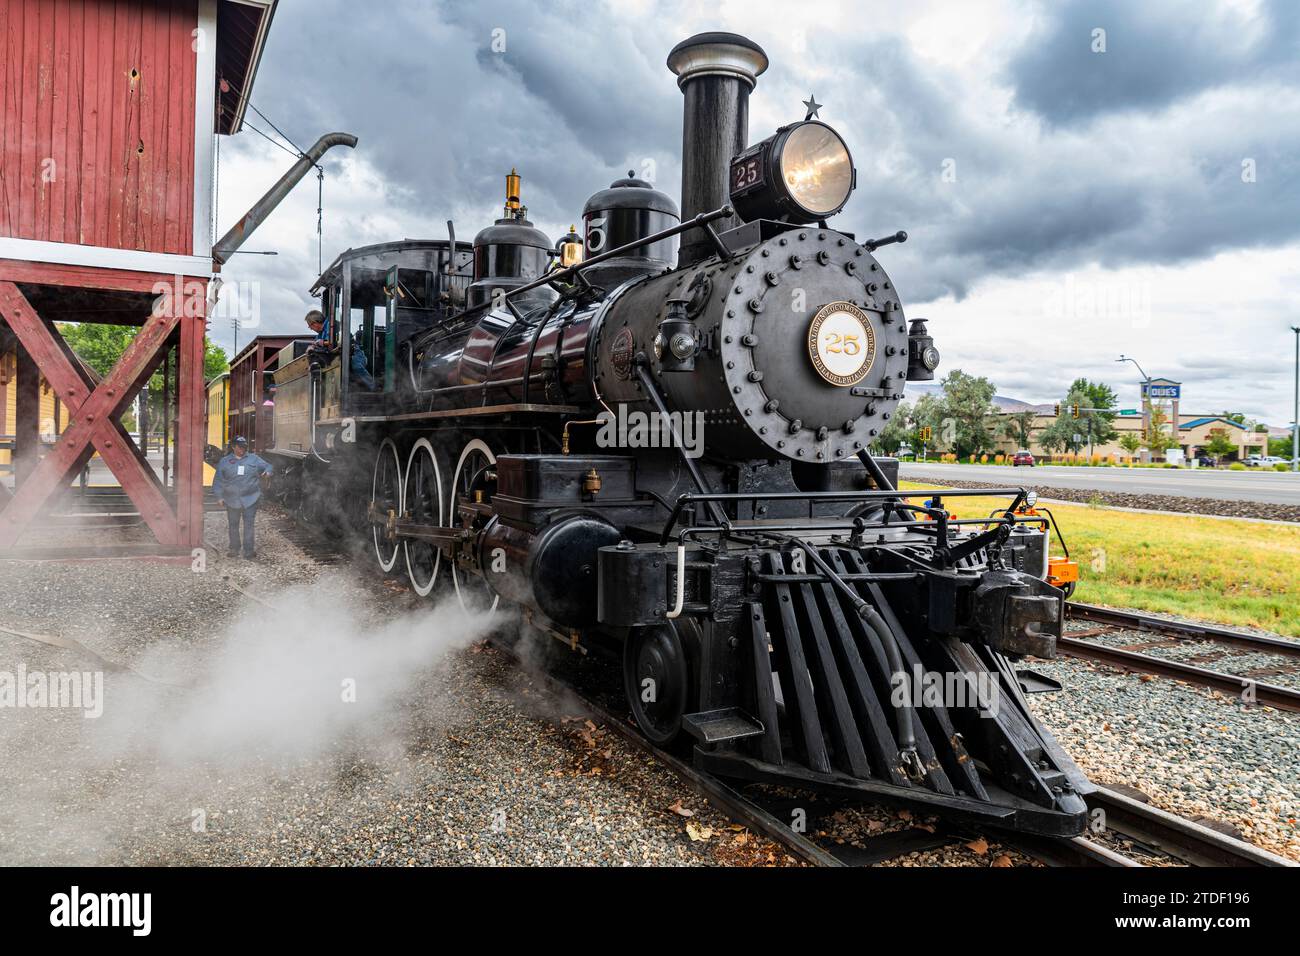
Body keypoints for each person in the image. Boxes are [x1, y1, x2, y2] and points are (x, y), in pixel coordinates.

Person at [213, 436, 273, 559]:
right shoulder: (224, 461)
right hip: (231, 499)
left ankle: (248, 550)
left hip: (250, 498)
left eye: (245, 447)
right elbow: (218, 480)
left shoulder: (254, 459)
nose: (243, 449)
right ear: (233, 447)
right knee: (233, 524)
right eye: (240, 447)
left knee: (249, 525)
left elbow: (269, 466)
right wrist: (219, 496)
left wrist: (267, 472)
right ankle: (234, 548)